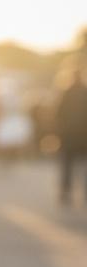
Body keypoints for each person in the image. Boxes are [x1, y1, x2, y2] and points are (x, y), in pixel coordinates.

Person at [54, 67, 87, 205]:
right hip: (84, 135)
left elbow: (58, 113)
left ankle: (65, 191)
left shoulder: (66, 92)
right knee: (84, 164)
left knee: (67, 164)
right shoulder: (85, 92)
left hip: (68, 134)